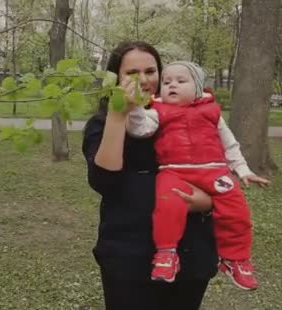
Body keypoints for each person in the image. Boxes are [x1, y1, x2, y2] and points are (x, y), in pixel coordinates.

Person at [82, 42, 217, 309]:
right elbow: (104, 182)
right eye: (132, 72)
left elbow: (218, 170)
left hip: (188, 256)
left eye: (151, 70)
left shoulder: (189, 119)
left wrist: (208, 201)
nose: (143, 80)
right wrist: (118, 115)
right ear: (116, 78)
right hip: (128, 258)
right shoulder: (103, 123)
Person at [125, 61, 270, 290]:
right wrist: (133, 108)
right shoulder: (157, 111)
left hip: (214, 170)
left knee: (236, 209)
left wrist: (242, 170)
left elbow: (229, 143)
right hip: (174, 170)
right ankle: (166, 253)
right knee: (168, 204)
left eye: (181, 81)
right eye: (167, 82)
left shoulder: (211, 112)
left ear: (199, 88)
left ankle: (235, 259)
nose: (172, 85)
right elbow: (139, 129)